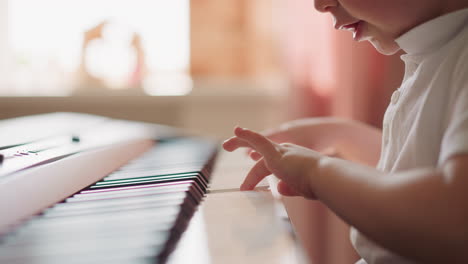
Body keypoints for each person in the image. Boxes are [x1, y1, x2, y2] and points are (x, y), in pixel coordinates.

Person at [222, 0, 468, 263]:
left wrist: (314, 173)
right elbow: (418, 167)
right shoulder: (438, 53)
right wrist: (336, 135)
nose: (320, 5)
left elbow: (453, 217)